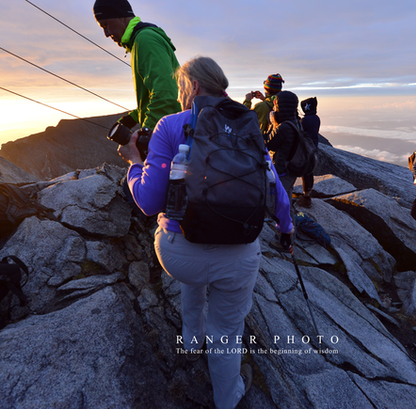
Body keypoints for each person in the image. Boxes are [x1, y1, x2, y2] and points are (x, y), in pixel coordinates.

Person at [117, 56, 294, 409]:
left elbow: (150, 202)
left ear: (194, 87)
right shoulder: (248, 127)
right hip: (239, 255)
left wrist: (135, 165)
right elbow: (276, 191)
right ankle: (227, 399)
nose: (182, 95)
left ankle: (192, 340)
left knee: (192, 274)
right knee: (227, 332)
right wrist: (286, 229)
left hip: (179, 255)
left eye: (183, 88)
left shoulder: (170, 125)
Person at [93, 0, 181, 132]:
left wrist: (146, 134)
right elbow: (155, 92)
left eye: (106, 25)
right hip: (172, 128)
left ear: (121, 16)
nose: (106, 34)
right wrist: (134, 117)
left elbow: (165, 94)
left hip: (173, 132)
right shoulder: (138, 42)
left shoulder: (145, 39)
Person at [263, 90, 302, 207]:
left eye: (275, 104)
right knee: (287, 202)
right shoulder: (297, 122)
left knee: (275, 205)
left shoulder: (283, 127)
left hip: (281, 172)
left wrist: (272, 123)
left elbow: (267, 143)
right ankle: (290, 224)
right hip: (291, 170)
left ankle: (280, 225)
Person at [297, 97, 321, 208]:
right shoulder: (316, 118)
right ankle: (308, 195)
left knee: (305, 173)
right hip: (313, 147)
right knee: (309, 173)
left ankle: (306, 198)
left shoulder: (305, 120)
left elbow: (299, 132)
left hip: (306, 149)